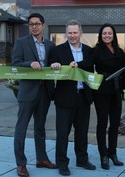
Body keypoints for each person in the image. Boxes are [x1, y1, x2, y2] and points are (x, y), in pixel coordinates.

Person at [12, 13, 57, 177]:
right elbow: (15, 64)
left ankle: (42, 159)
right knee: (21, 128)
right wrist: (29, 64)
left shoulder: (51, 45)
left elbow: (54, 64)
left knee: (40, 128)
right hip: (27, 92)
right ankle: (21, 164)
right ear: (29, 27)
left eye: (37, 23)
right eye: (31, 24)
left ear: (43, 26)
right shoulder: (21, 43)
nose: (34, 26)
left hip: (45, 92)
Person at [49, 19, 95, 176]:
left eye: (75, 32)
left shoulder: (89, 51)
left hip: (83, 97)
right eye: (69, 32)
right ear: (65, 33)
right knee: (62, 133)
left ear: (81, 33)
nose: (72, 35)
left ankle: (82, 159)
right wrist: (54, 66)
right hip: (64, 98)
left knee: (82, 132)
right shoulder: (57, 50)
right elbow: (50, 68)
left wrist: (78, 64)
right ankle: (62, 163)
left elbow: (90, 66)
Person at [92, 23, 125, 170]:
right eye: (104, 33)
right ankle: (103, 155)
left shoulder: (119, 51)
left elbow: (123, 71)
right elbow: (87, 65)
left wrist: (124, 90)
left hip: (116, 92)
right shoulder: (96, 50)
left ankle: (113, 153)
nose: (107, 35)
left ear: (114, 35)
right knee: (102, 124)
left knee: (114, 124)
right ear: (101, 35)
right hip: (101, 92)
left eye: (110, 33)